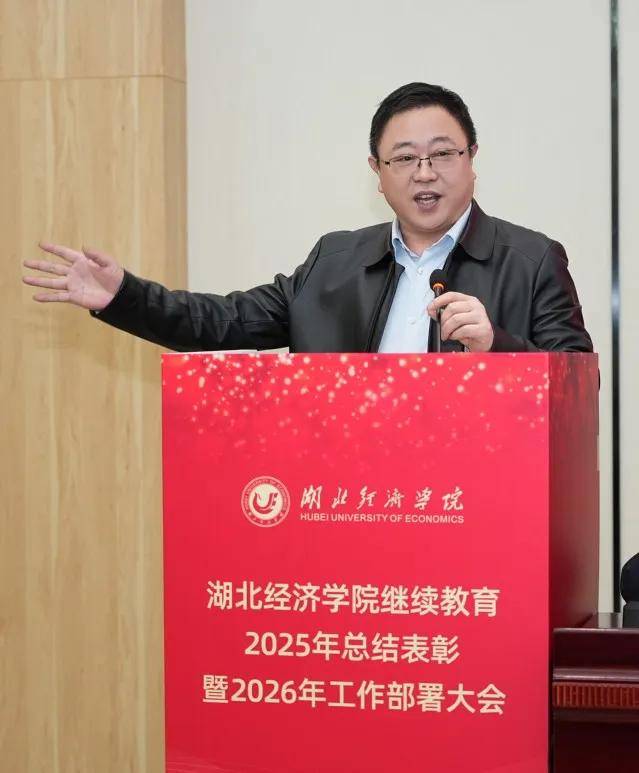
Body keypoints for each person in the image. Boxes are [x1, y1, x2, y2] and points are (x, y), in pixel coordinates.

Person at [23, 82, 592, 354]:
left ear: (471, 160)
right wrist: (124, 296)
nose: (424, 173)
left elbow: (577, 383)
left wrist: (498, 347)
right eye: (404, 159)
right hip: (353, 502)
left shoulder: (532, 260)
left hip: (474, 505)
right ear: (377, 172)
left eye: (443, 154)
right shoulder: (334, 262)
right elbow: (223, 321)